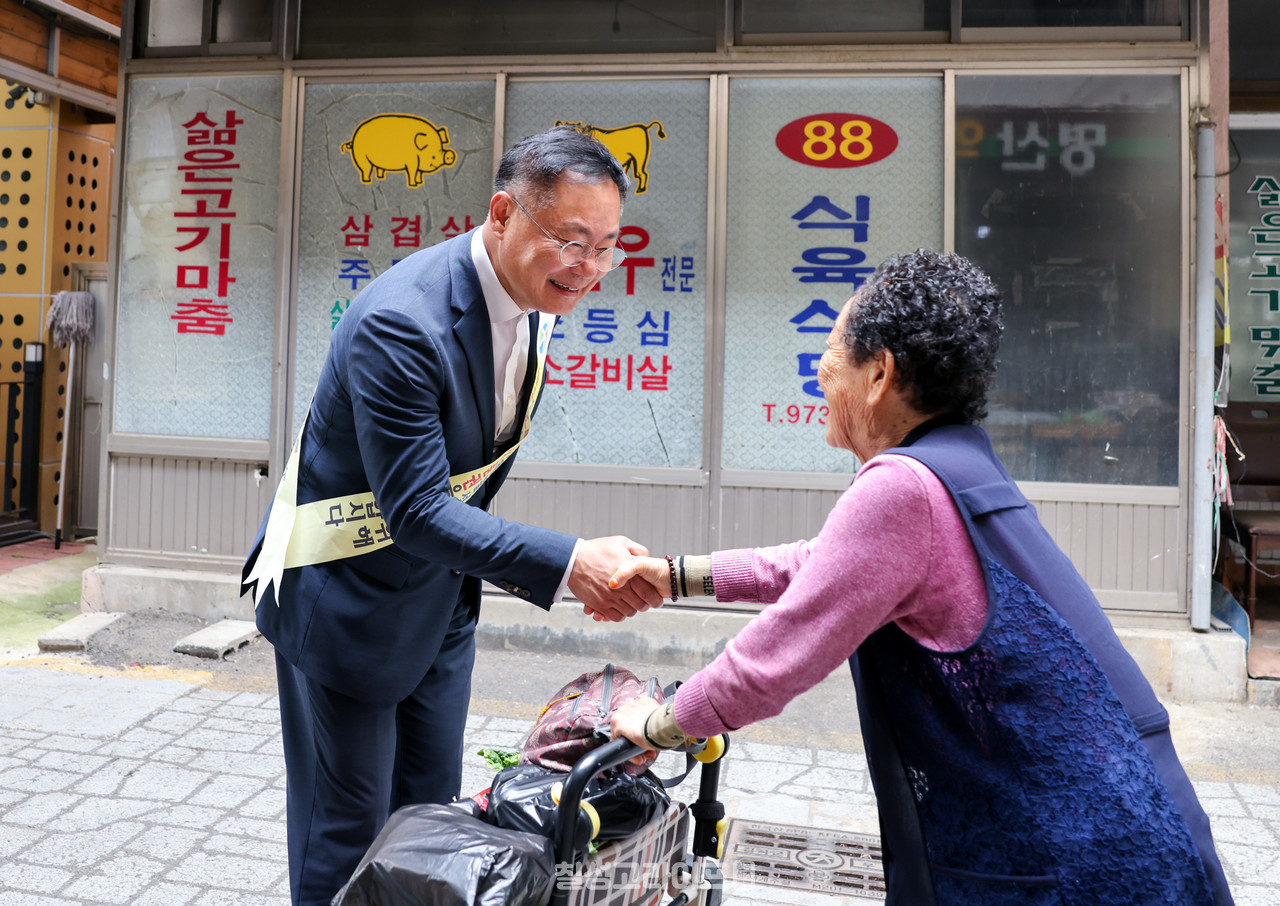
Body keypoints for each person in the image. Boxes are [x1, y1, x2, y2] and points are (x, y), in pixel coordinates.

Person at [609, 249, 1233, 905]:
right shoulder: (955, 467)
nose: (818, 370)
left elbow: (774, 661)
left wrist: (657, 724)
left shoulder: (902, 489)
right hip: (1135, 827)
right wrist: (675, 576)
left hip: (1078, 859)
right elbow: (834, 570)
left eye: (829, 349)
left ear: (879, 374)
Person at [241, 126, 661, 906]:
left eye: (607, 246)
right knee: (348, 833)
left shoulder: (533, 301)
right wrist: (572, 561)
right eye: (572, 240)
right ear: (503, 213)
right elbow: (419, 508)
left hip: (438, 602)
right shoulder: (403, 323)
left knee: (432, 822)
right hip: (347, 602)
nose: (591, 269)